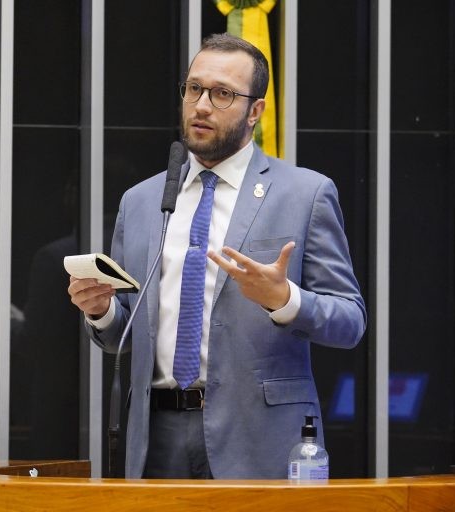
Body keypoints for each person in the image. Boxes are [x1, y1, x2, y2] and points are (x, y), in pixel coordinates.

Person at [68, 33, 366, 479]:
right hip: (156, 437)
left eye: (223, 94)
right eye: (194, 89)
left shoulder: (306, 194)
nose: (202, 105)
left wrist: (284, 299)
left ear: (256, 111)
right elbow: (124, 333)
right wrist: (101, 311)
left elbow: (350, 321)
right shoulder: (143, 200)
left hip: (259, 437)